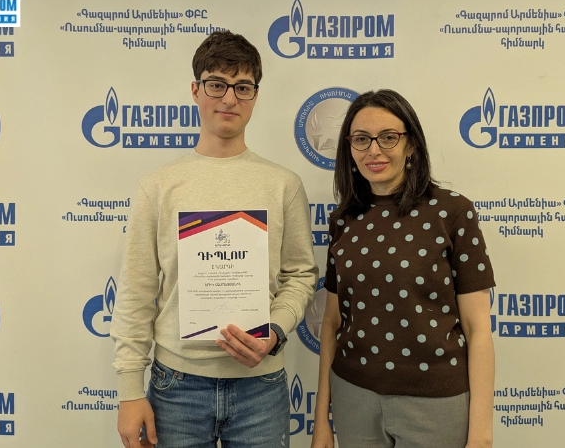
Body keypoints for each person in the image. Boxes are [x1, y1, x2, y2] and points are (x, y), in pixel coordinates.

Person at [112, 30, 318, 448]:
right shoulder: (158, 186)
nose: (229, 98)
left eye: (243, 87)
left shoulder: (283, 185)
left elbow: (300, 275)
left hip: (261, 389)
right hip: (177, 387)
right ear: (195, 90)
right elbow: (136, 292)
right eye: (217, 84)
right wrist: (130, 389)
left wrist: (275, 331)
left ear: (255, 96)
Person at [311, 90, 496, 448]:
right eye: (361, 139)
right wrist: (322, 421)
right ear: (349, 148)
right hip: (353, 398)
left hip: (436, 403)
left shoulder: (452, 212)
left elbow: (478, 329)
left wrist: (481, 435)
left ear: (411, 144)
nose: (374, 150)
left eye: (388, 137)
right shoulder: (343, 219)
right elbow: (331, 323)